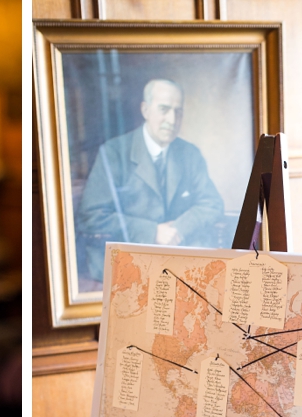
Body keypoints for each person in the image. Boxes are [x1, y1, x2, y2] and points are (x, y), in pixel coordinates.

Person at [76, 79, 224, 282]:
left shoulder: (190, 154)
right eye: (164, 109)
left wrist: (178, 229)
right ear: (145, 110)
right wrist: (152, 232)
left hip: (177, 260)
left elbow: (212, 204)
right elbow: (90, 217)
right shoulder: (113, 153)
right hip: (128, 264)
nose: (172, 120)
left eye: (178, 111)